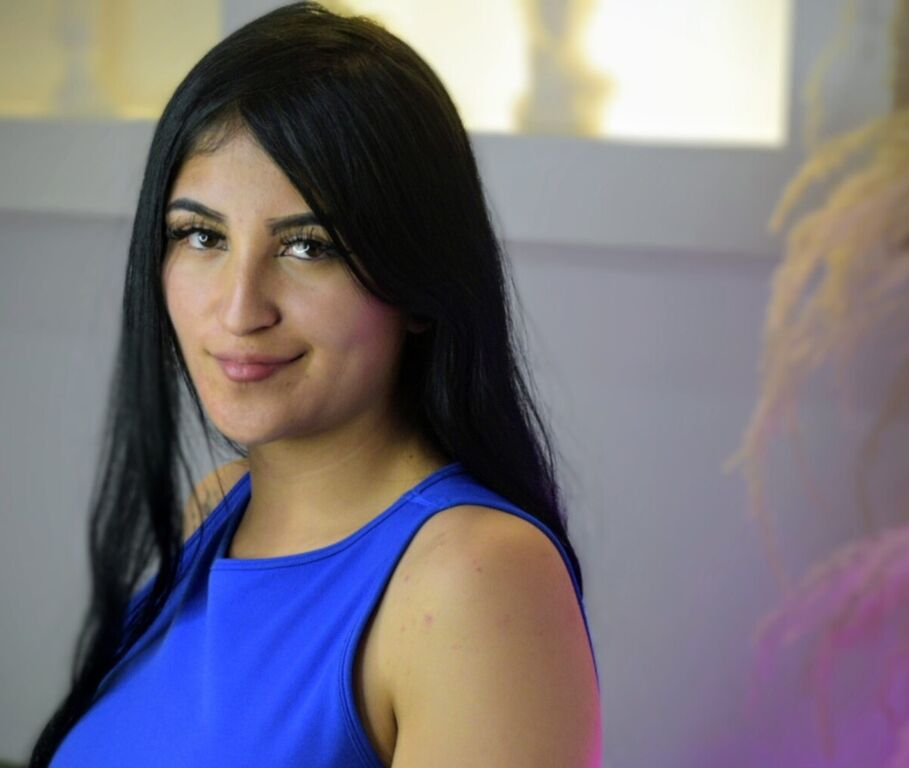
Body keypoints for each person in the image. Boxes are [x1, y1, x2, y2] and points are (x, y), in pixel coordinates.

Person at [29, 3, 601, 766]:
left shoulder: (476, 577)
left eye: (308, 246)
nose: (240, 309)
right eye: (201, 235)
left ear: (419, 280)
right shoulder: (216, 510)